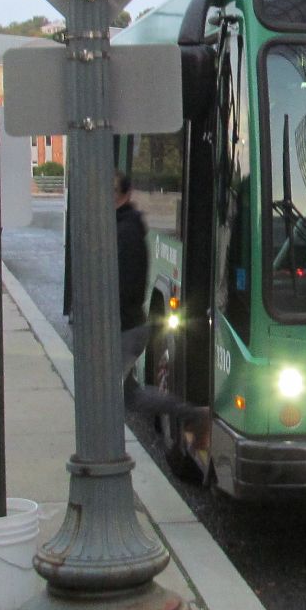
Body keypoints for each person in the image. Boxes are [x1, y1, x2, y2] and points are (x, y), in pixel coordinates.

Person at [114, 173, 207, 426]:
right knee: (128, 394)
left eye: (111, 190)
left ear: (123, 194)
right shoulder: (122, 225)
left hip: (125, 328)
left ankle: (191, 414)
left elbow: (127, 285)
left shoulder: (126, 231)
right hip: (128, 326)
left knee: (109, 396)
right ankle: (192, 414)